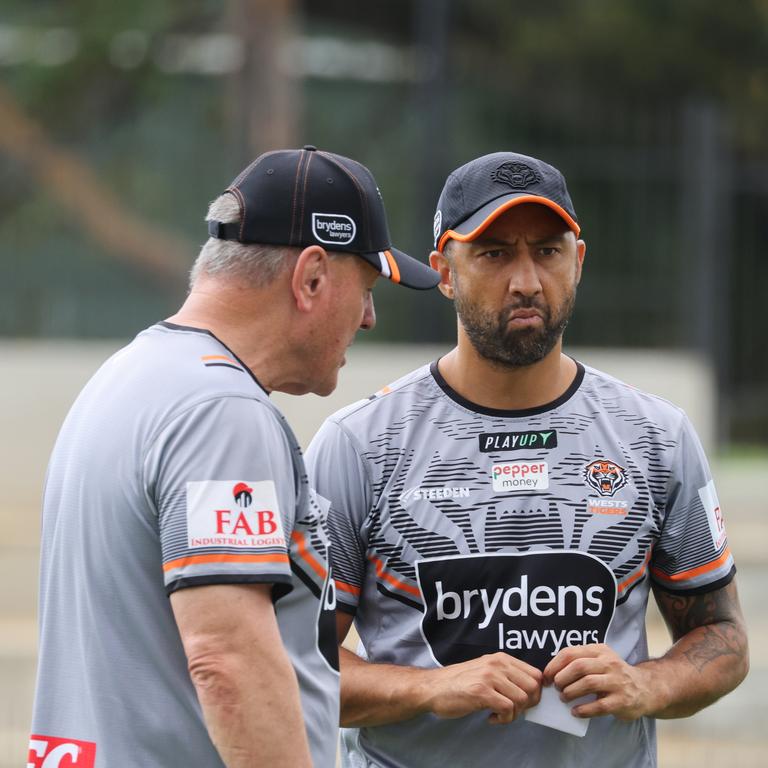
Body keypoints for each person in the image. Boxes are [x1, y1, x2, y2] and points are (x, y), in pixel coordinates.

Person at [306, 151, 749, 767]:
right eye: (494, 253)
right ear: (444, 271)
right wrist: (431, 687)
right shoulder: (360, 444)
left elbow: (723, 639)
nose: (526, 281)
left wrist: (648, 684)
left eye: (547, 251)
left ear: (579, 261)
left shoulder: (656, 437)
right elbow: (291, 662)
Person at [28, 145, 440, 768]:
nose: (370, 317)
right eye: (367, 288)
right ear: (311, 278)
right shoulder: (224, 411)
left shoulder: (130, 375)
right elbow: (227, 661)